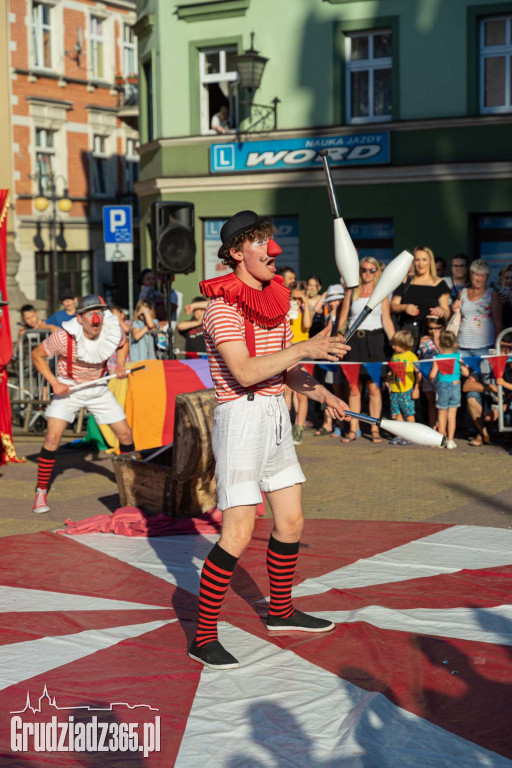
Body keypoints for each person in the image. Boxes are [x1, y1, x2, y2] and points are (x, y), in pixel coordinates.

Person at [188, 209, 350, 670]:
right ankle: (202, 637)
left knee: (292, 522)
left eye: (270, 240)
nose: (272, 251)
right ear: (237, 252)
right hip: (239, 418)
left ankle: (280, 612)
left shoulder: (277, 300)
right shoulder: (220, 308)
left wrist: (320, 391)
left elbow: (286, 369)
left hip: (275, 415)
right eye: (259, 242)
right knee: (237, 533)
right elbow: (244, 372)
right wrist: (304, 347)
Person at [30, 295, 134, 514]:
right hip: (69, 389)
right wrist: (55, 383)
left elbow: (123, 344)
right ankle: (40, 491)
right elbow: (37, 355)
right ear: (80, 318)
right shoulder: (64, 336)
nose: (96, 319)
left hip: (98, 389)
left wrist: (122, 365)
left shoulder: (112, 331)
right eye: (90, 314)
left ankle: (131, 485)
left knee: (125, 435)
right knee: (52, 438)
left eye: (100, 314)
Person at [336, 257, 395, 443]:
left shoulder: (382, 292)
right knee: (354, 389)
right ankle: (353, 429)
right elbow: (343, 320)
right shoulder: (352, 291)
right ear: (359, 271)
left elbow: (386, 320)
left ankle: (375, 430)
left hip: (375, 341)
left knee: (374, 389)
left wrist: (396, 344)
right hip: (354, 342)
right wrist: (339, 340)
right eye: (364, 270)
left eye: (371, 270)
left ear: (377, 272)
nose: (367, 273)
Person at [391, 246, 450, 350]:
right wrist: (405, 307)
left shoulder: (439, 283)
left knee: (429, 365)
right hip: (407, 334)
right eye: (417, 260)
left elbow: (447, 311)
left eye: (424, 260)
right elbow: (393, 306)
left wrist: (442, 311)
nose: (420, 264)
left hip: (430, 333)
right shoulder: (405, 281)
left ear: (430, 262)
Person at [428, 330, 470, 450]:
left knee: (441, 415)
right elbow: (466, 373)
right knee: (452, 416)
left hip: (442, 387)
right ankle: (451, 440)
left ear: (440, 344)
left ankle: (441, 440)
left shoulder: (438, 358)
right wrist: (462, 365)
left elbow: (432, 375)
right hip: (456, 386)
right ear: (455, 344)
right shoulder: (458, 357)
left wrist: (429, 376)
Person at [313, 284, 346, 436]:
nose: (333, 303)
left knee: (338, 390)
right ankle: (328, 423)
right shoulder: (328, 316)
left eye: (337, 300)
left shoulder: (344, 315)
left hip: (339, 358)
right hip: (328, 358)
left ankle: (340, 424)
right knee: (328, 390)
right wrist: (326, 293)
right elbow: (316, 309)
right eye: (331, 300)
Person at [453, 259, 502, 357]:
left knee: (484, 372)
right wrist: (454, 309)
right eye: (476, 275)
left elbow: (498, 323)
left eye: (482, 275)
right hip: (462, 345)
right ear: (471, 275)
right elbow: (457, 319)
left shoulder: (492, 294)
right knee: (462, 372)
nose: (478, 279)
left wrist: (496, 348)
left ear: (487, 277)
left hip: (484, 346)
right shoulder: (462, 293)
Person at [285, 281, 313, 445]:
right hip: (288, 347)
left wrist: (305, 302)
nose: (295, 299)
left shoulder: (305, 307)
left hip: (304, 348)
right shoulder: (287, 306)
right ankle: (286, 426)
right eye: (293, 296)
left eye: (298, 296)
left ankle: (299, 428)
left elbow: (308, 325)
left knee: (301, 393)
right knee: (286, 391)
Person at [386, 329, 421, 444]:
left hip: (406, 390)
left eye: (395, 344)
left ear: (404, 345)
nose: (392, 347)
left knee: (409, 413)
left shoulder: (412, 357)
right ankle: (400, 435)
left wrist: (416, 388)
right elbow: (392, 369)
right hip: (395, 389)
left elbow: (418, 373)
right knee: (397, 414)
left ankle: (412, 435)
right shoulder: (395, 356)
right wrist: (388, 378)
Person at [418, 315, 446, 428]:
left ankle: (441, 428)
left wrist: (436, 340)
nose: (434, 331)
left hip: (440, 375)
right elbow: (420, 357)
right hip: (426, 374)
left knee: (441, 404)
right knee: (431, 403)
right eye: (431, 328)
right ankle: (432, 426)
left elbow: (444, 355)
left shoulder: (445, 338)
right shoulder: (423, 339)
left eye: (437, 328)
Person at [498, 263, 512, 329]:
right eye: (506, 278)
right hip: (503, 335)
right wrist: (499, 304)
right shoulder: (498, 296)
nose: (509, 281)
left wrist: (510, 303)